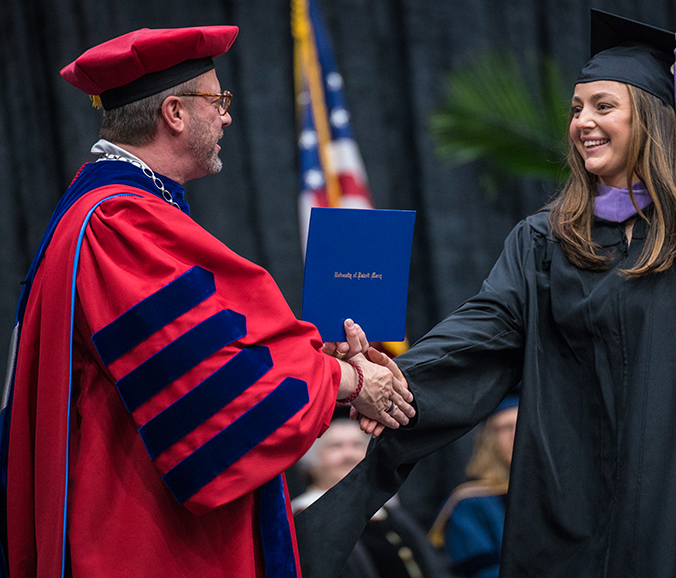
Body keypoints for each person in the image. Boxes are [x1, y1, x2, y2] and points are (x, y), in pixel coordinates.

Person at [295, 9, 676, 578]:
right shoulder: (547, 238)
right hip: (570, 502)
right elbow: (483, 331)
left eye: (602, 106)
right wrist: (395, 378)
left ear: (649, 117)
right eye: (576, 110)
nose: (582, 123)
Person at [2, 26, 414, 578]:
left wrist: (330, 367)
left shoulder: (118, 210)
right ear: (174, 112)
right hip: (142, 537)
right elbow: (211, 383)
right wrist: (351, 383)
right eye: (217, 100)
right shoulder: (119, 222)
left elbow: (213, 344)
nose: (225, 116)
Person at [292, 418, 447, 578]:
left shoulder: (390, 512)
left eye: (357, 445)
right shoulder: (305, 515)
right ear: (311, 462)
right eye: (336, 446)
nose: (349, 455)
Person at [428, 395, 519, 578]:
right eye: (507, 428)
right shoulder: (469, 504)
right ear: (489, 439)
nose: (516, 435)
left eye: (522, 426)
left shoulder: (555, 494)